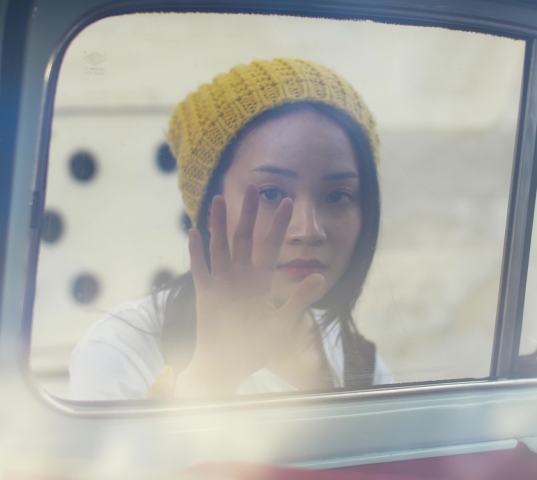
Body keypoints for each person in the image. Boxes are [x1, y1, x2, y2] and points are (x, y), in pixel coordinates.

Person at [68, 58, 393, 401]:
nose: (307, 230)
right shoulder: (124, 351)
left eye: (338, 196)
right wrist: (213, 375)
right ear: (209, 208)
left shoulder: (360, 362)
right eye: (270, 193)